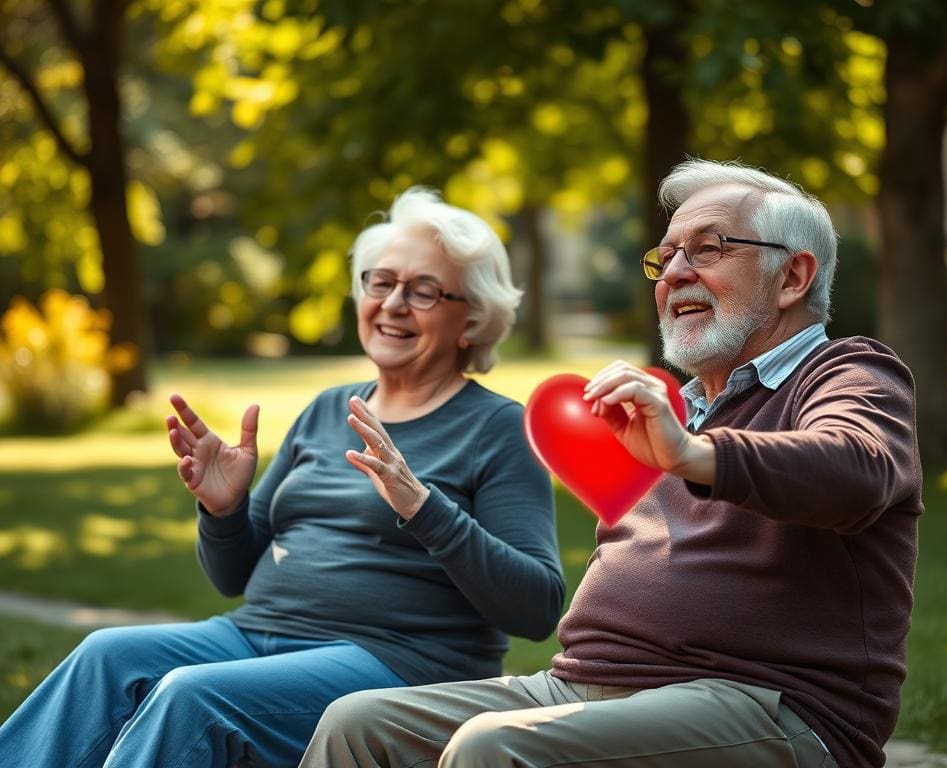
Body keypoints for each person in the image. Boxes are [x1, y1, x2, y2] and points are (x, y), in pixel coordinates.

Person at [299, 159, 922, 768]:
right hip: (583, 685)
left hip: (766, 704)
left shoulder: (849, 373)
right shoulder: (675, 408)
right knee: (357, 724)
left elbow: (856, 469)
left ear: (792, 277)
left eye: (706, 250)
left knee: (493, 745)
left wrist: (691, 453)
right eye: (666, 256)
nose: (674, 273)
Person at [0, 188, 564, 768]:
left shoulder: (497, 428)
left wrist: (424, 507)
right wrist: (223, 512)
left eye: (422, 290)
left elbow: (537, 607)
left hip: (398, 663)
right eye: (380, 282)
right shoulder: (327, 409)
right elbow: (233, 576)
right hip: (256, 636)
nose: (393, 303)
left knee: (192, 696)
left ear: (471, 320)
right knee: (105, 656)